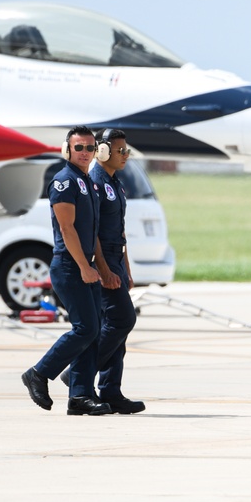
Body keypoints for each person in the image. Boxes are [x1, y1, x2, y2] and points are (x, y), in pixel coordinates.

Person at [20, 126, 112, 416]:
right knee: (85, 328)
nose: (85, 153)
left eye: (89, 148)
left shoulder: (88, 183)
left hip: (87, 266)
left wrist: (101, 267)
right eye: (79, 148)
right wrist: (84, 267)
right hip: (70, 267)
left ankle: (81, 395)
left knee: (93, 331)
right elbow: (66, 228)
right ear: (67, 150)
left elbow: (93, 232)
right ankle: (39, 373)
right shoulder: (64, 182)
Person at [59, 129, 145, 414]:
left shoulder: (115, 183)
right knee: (121, 319)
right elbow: (93, 231)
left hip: (116, 259)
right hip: (102, 260)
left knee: (117, 328)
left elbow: (119, 229)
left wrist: (126, 268)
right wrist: (104, 269)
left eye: (126, 150)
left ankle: (110, 389)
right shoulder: (95, 181)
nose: (125, 155)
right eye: (120, 151)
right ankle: (79, 374)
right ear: (104, 152)